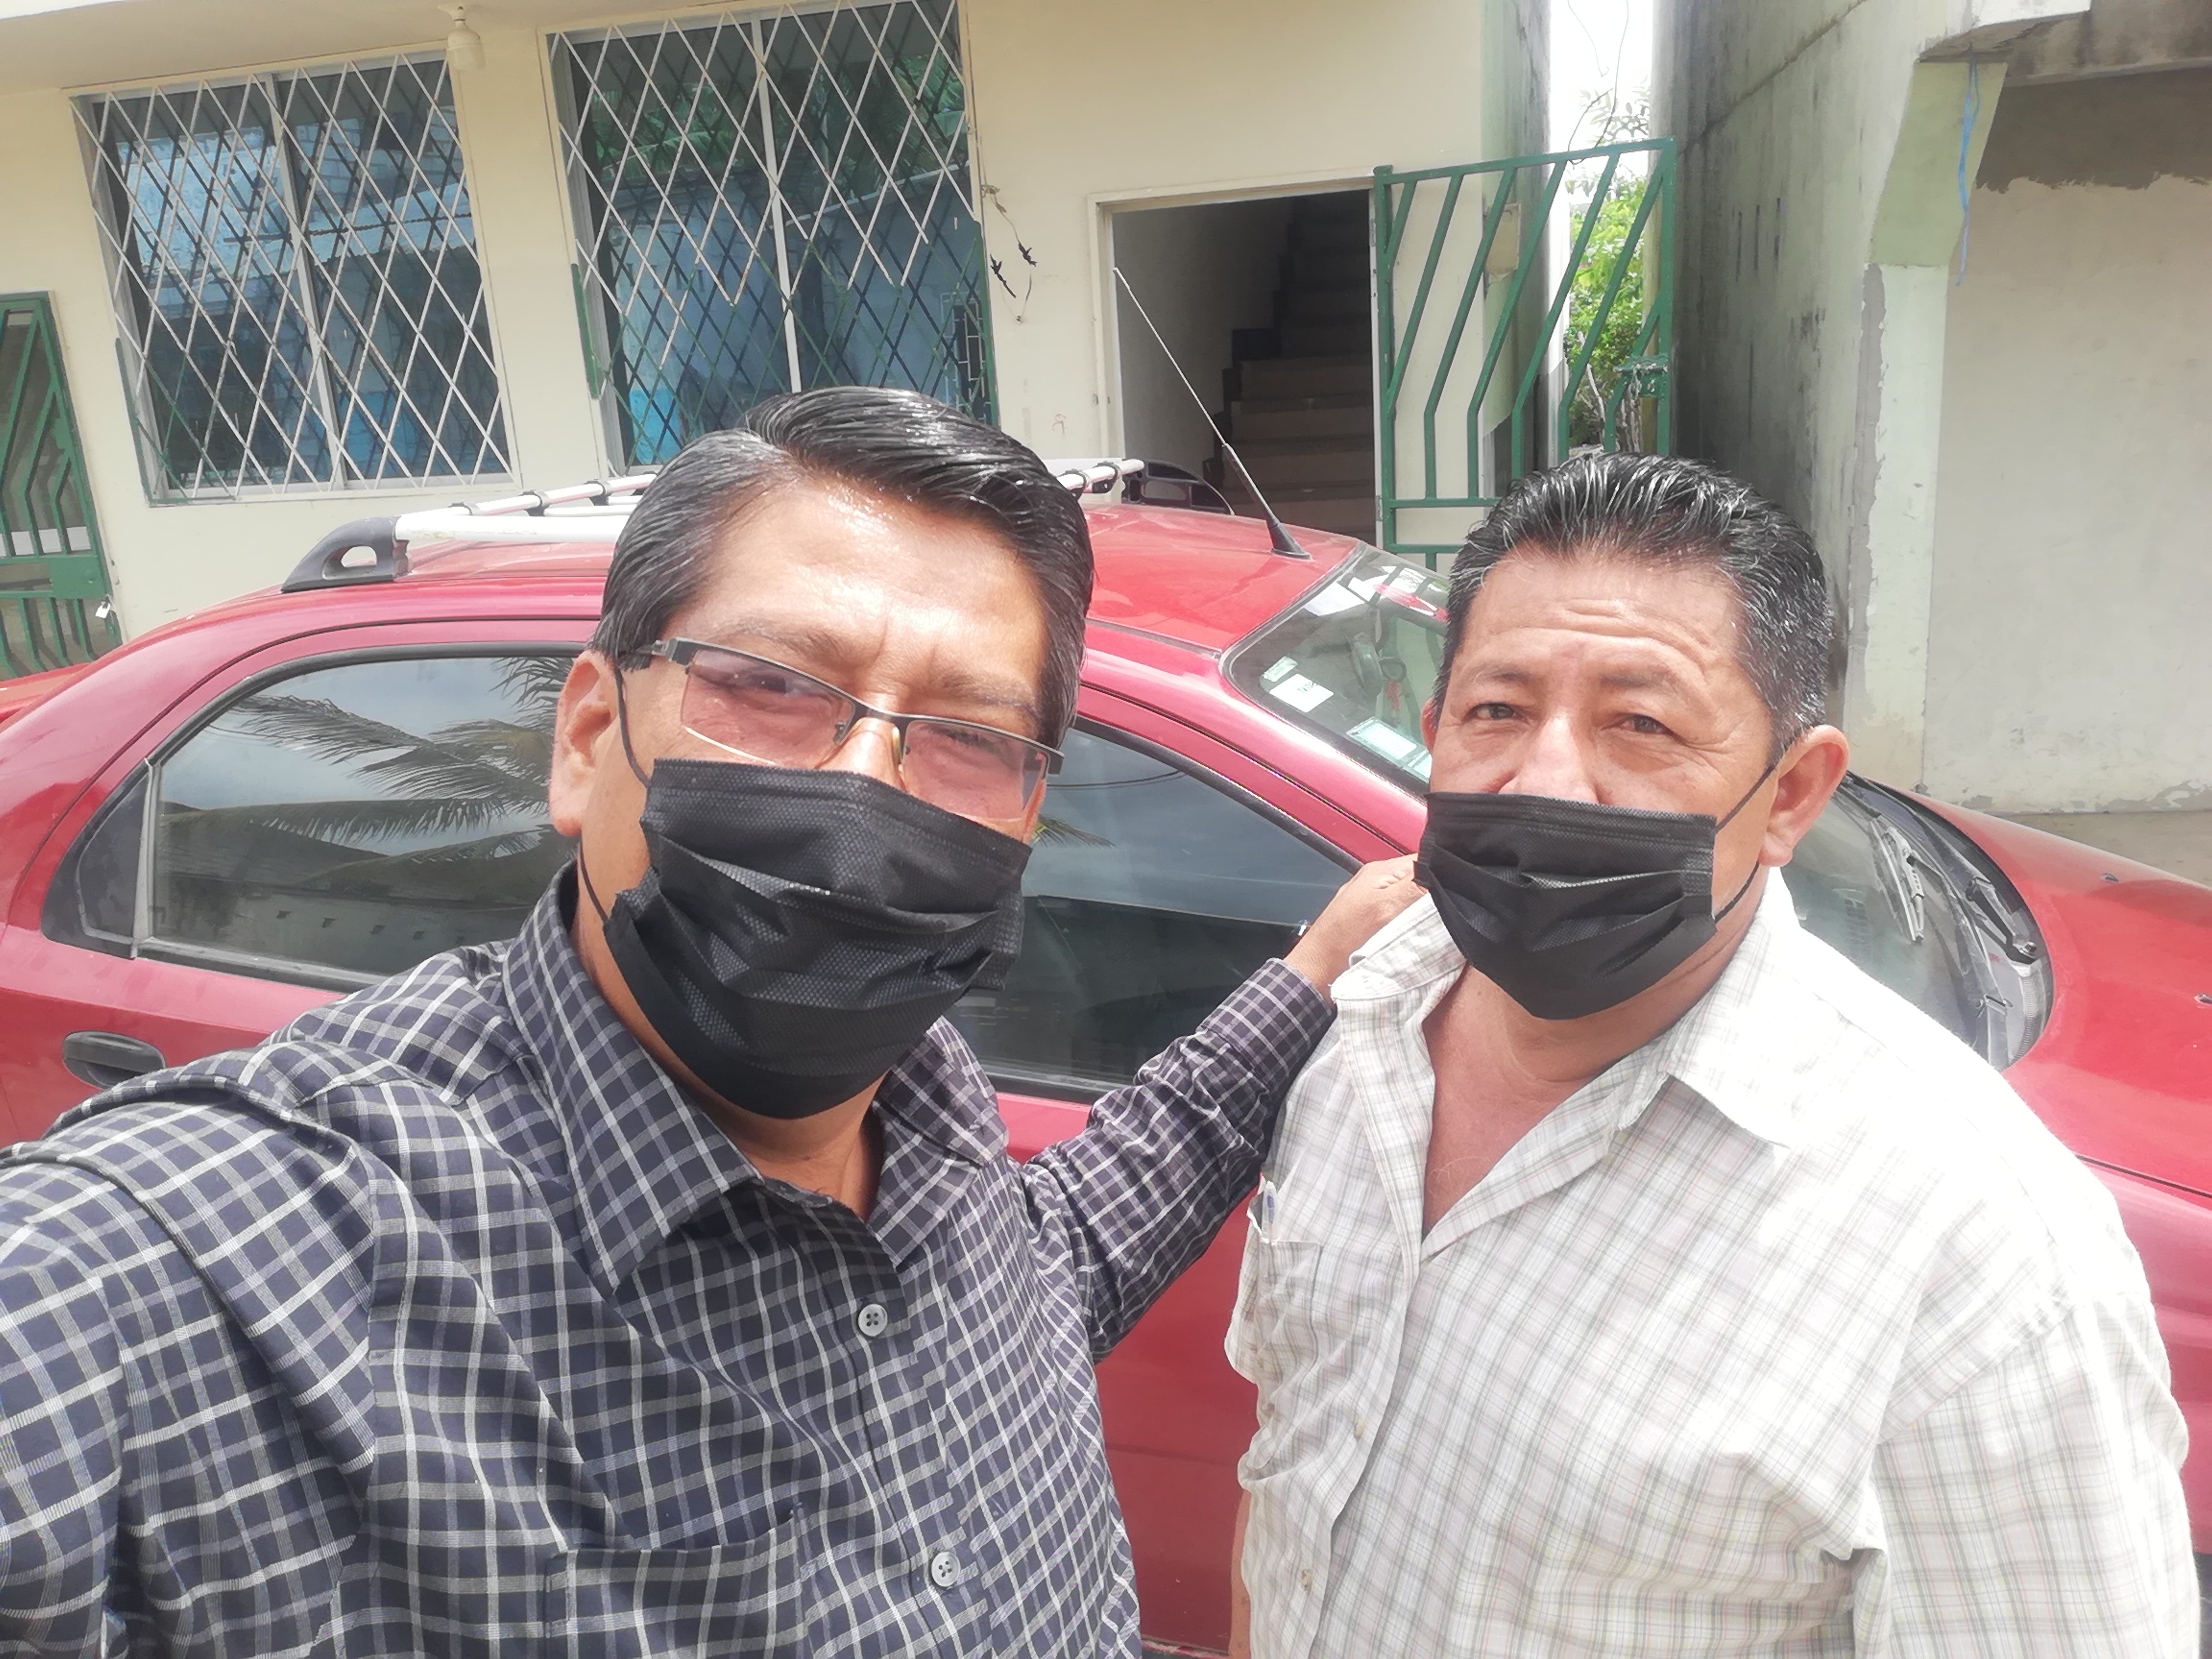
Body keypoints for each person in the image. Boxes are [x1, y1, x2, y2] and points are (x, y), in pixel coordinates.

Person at [0, 387, 1418, 1658]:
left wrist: (1320, 963)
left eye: (971, 738)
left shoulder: (926, 1115)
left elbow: (1068, 1251)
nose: (866, 794)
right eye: (770, 687)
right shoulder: (213, 1278)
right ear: (585, 739)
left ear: (1030, 813)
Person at [1227, 453, 2196, 1659]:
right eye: (1497, 711)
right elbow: (1289, 1482)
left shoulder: (1980, 1261)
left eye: (1642, 724)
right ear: (1435, 736)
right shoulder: (1365, 1011)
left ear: (1790, 795)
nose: (1547, 777)